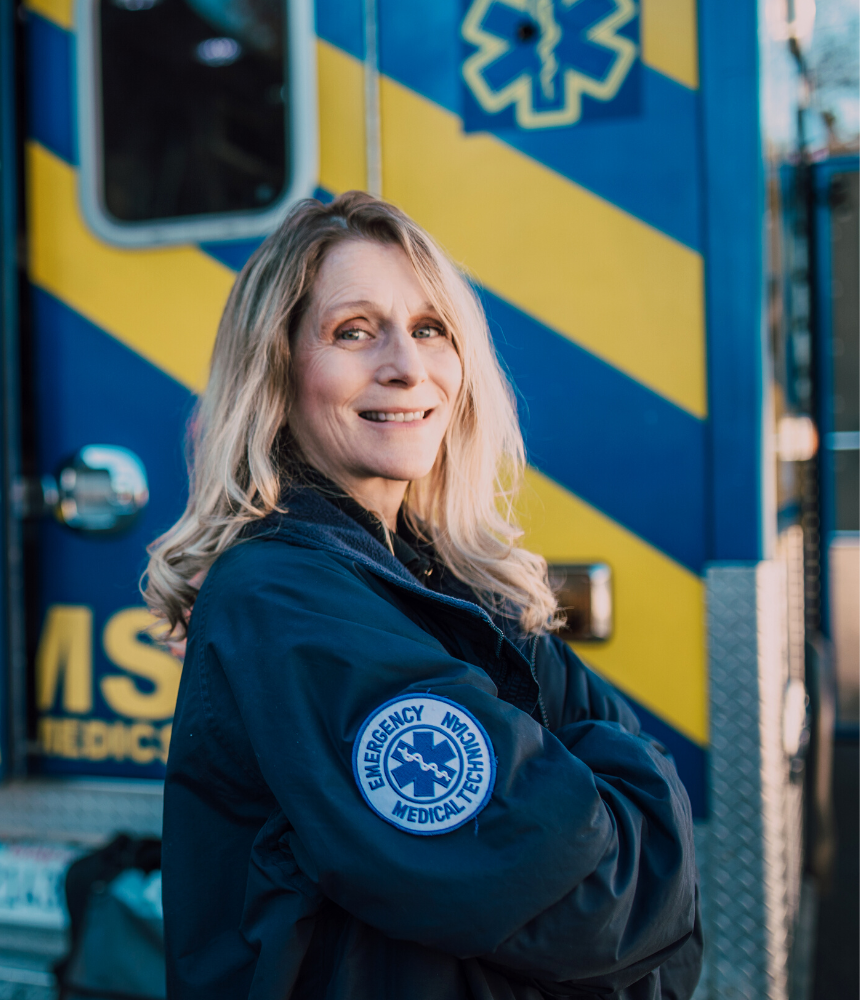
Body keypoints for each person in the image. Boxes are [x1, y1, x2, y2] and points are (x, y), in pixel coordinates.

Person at [144, 192, 701, 1000]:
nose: (407, 365)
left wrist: (611, 794)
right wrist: (617, 783)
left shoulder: (437, 572)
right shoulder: (282, 595)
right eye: (354, 331)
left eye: (431, 328)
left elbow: (623, 858)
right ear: (278, 368)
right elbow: (596, 899)